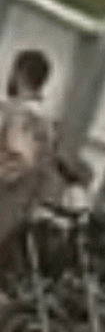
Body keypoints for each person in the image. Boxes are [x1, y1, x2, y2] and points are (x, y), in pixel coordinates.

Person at [0, 49, 57, 247]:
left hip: (7, 197)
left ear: (20, 74)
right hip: (23, 206)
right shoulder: (46, 120)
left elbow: (21, 158)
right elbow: (45, 169)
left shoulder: (18, 112)